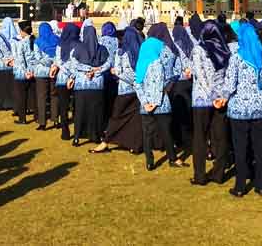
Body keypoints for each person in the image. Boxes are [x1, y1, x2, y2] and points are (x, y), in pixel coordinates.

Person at [225, 22, 262, 197]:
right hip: (260, 108)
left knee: (240, 148)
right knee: (260, 147)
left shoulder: (236, 57)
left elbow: (230, 84)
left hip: (239, 110)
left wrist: (222, 97)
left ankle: (240, 185)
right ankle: (261, 184)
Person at [189, 20, 231, 186]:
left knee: (200, 138)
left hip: (202, 99)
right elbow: (226, 75)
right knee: (220, 137)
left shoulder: (198, 49)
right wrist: (221, 96)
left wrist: (211, 95)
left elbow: (200, 75)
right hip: (220, 100)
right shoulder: (224, 50)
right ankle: (219, 173)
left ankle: (200, 175)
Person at [93, 25, 145, 154]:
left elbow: (121, 71)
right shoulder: (141, 53)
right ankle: (134, 144)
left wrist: (116, 73)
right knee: (134, 119)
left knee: (116, 117)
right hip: (138, 91)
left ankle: (105, 142)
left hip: (124, 89)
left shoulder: (121, 52)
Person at [134, 35, 181, 171]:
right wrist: (154, 102)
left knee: (147, 133)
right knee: (166, 132)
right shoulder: (157, 63)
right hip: (161, 102)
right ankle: (172, 158)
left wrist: (145, 102)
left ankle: (149, 161)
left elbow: (137, 84)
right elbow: (159, 83)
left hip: (146, 104)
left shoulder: (140, 63)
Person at [67, 24, 112, 147]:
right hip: (97, 85)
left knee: (80, 112)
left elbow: (74, 63)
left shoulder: (79, 48)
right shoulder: (102, 49)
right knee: (96, 112)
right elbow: (109, 63)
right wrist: (97, 70)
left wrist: (87, 70)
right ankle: (96, 135)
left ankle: (77, 137)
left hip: (82, 85)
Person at [52, 24, 79, 141]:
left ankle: (65, 132)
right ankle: (78, 131)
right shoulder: (78, 45)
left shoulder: (59, 45)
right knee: (76, 107)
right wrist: (72, 76)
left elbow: (58, 61)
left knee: (63, 107)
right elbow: (77, 63)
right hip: (75, 79)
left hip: (61, 79)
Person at [31, 22, 59, 130]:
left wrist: (48, 63)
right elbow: (59, 55)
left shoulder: (38, 41)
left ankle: (42, 123)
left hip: (41, 72)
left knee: (42, 97)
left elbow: (38, 58)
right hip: (54, 71)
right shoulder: (57, 39)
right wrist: (53, 64)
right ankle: (56, 120)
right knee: (54, 96)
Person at [11, 21, 35, 125]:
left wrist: (26, 72)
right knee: (34, 95)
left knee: (21, 96)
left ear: (22, 31)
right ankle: (38, 116)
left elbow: (21, 60)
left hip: (23, 73)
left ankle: (22, 118)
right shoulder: (36, 40)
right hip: (35, 72)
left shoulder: (22, 43)